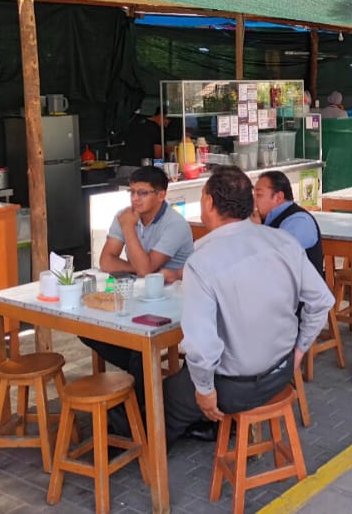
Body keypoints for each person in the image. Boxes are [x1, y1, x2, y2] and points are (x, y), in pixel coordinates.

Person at [161, 166, 334, 443]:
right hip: (282, 372)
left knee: (161, 399)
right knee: (188, 378)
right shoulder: (283, 241)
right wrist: (299, 351)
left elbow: (201, 346)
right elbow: (322, 300)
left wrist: (205, 391)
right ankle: (210, 425)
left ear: (208, 203)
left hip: (237, 388)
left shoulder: (202, 262)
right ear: (250, 204)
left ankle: (147, 457)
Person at [84, 166, 195, 418]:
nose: (135, 199)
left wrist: (129, 232)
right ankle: (145, 376)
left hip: (172, 300)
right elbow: (106, 261)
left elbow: (146, 271)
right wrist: (139, 266)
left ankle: (143, 400)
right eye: (132, 192)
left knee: (137, 342)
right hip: (138, 295)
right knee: (88, 330)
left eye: (143, 193)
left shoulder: (173, 224)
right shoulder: (125, 216)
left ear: (161, 195)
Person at [253, 171, 323, 270]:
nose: (253, 200)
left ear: (278, 197)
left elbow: (275, 260)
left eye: (259, 195)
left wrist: (255, 231)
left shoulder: (299, 221)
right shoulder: (262, 219)